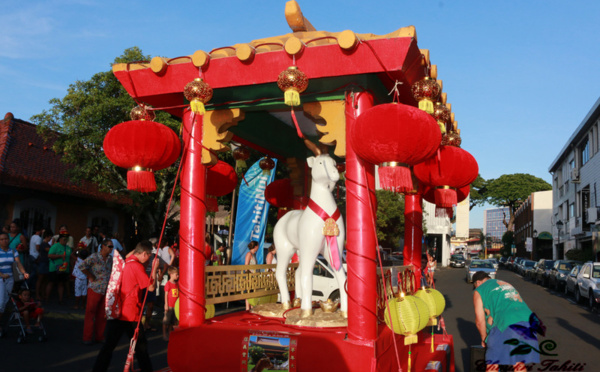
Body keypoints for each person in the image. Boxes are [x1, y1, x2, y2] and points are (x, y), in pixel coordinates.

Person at [92, 240, 157, 372]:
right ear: (144, 254)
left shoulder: (125, 262)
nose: (150, 259)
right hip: (130, 312)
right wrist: (154, 269)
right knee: (141, 347)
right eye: (149, 256)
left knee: (108, 346)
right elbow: (151, 287)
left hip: (117, 309)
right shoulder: (137, 266)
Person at [472, 271, 545, 370]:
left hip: (507, 323)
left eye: (475, 286)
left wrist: (484, 339)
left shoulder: (480, 290)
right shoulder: (505, 284)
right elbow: (493, 316)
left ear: (478, 283)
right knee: (518, 362)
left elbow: (479, 321)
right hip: (529, 322)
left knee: (492, 362)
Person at [80, 239, 113, 345]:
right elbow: (82, 266)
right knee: (90, 313)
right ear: (102, 246)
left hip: (106, 289)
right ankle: (87, 337)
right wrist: (90, 276)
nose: (111, 249)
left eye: (111, 247)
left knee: (102, 314)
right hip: (95, 288)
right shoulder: (94, 257)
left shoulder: (110, 259)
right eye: (109, 246)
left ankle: (99, 336)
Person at [0, 232, 29, 335]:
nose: (4, 241)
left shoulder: (13, 251)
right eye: (2, 239)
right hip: (1, 278)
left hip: (10, 278)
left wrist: (24, 272)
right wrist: (2, 275)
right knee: (1, 302)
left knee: (6, 300)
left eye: (6, 239)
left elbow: (18, 263)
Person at [46, 232, 73, 304]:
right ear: (60, 239)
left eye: (66, 239)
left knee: (61, 284)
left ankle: (60, 300)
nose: (65, 241)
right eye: (64, 239)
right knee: (51, 283)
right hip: (55, 268)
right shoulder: (55, 246)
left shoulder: (68, 248)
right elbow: (49, 255)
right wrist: (60, 256)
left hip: (64, 268)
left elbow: (70, 257)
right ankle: (47, 299)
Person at [162, 266, 179, 341]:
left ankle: (170, 333)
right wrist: (166, 304)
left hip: (175, 306)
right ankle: (164, 334)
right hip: (169, 306)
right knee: (166, 321)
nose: (177, 276)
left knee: (172, 321)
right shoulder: (168, 284)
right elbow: (166, 295)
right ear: (171, 274)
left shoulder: (176, 284)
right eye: (176, 274)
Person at [35, 230, 52, 301]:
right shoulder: (44, 244)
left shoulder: (46, 244)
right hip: (43, 263)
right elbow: (51, 251)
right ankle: (37, 294)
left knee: (44, 280)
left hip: (46, 263)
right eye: (50, 237)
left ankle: (42, 293)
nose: (51, 239)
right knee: (40, 279)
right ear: (47, 237)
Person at [244, 241, 259, 310]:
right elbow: (246, 266)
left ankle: (252, 306)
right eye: (258, 246)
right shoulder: (249, 254)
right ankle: (247, 307)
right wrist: (248, 276)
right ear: (255, 247)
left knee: (253, 292)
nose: (258, 247)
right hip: (249, 276)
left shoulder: (254, 254)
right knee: (248, 292)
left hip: (254, 276)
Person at [28, 225, 43, 290]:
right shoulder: (38, 238)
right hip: (35, 256)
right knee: (35, 272)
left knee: (33, 271)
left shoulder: (33, 236)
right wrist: (41, 253)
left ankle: (32, 286)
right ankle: (26, 283)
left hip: (31, 255)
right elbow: (37, 247)